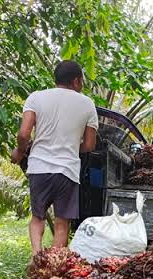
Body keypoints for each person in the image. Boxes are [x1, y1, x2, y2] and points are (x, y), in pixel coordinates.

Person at [11, 60, 99, 254]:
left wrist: (19, 151)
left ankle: (36, 256)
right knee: (62, 222)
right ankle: (53, 265)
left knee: (37, 217)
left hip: (39, 168)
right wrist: (69, 147)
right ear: (76, 81)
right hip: (67, 171)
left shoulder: (36, 98)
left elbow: (24, 134)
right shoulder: (87, 104)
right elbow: (90, 145)